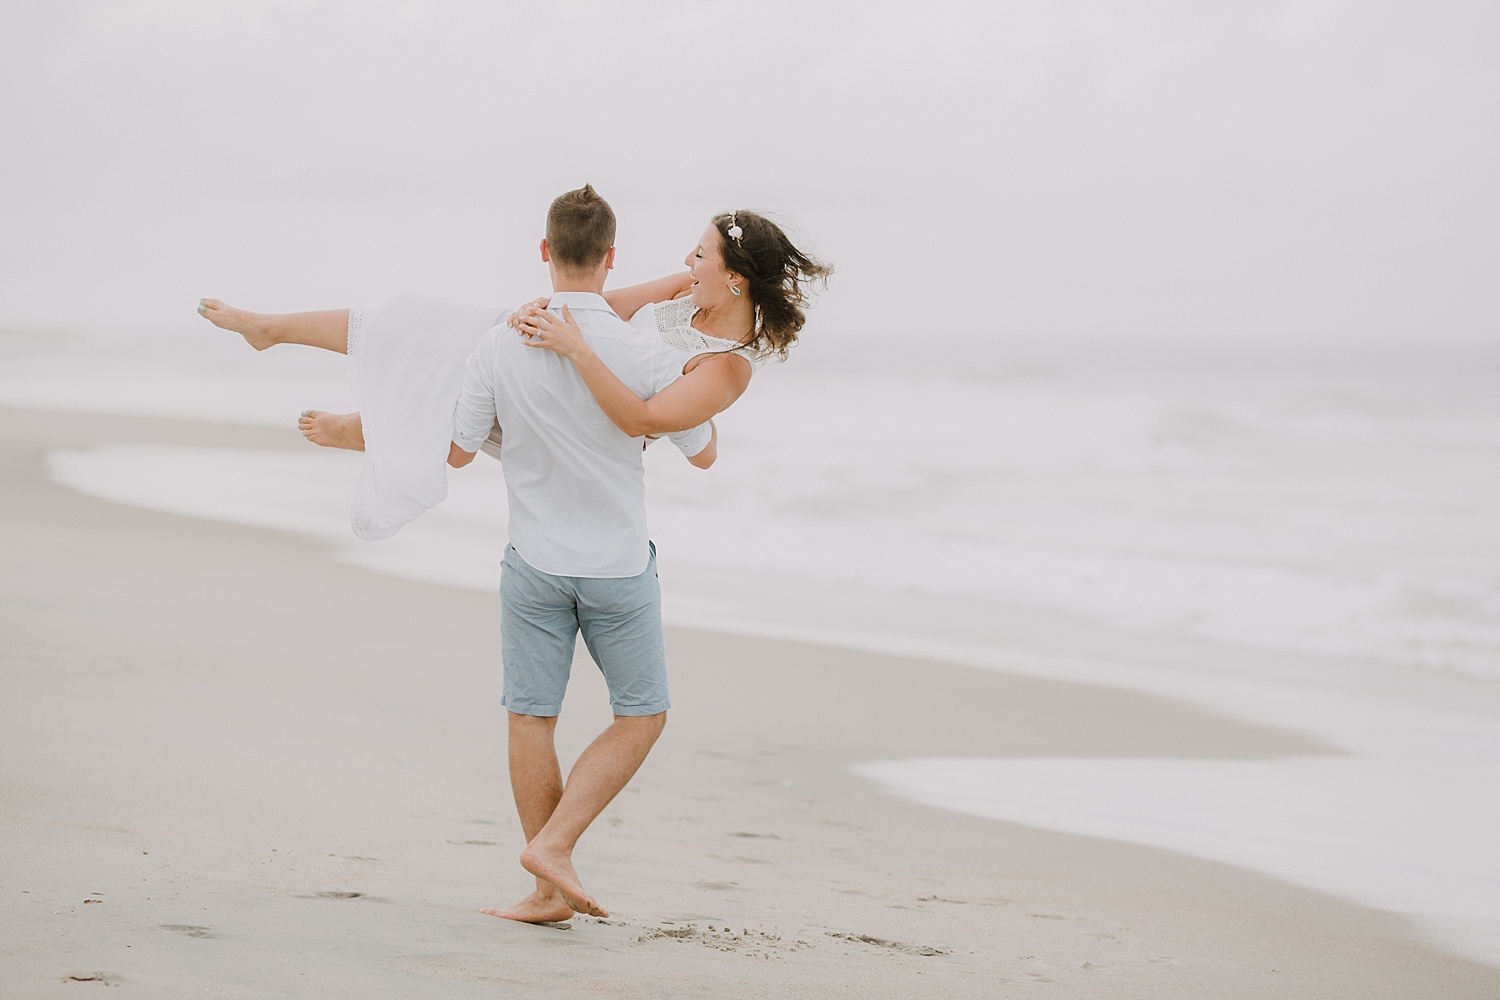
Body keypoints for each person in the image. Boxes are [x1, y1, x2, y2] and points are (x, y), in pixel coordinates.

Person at [196, 204, 830, 542]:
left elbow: (680, 438)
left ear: (736, 277)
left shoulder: (728, 368)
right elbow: (603, 308)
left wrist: (697, 424)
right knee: (423, 318)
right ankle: (271, 329)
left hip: (583, 407)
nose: (686, 259)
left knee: (466, 389)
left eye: (700, 254)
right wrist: (547, 315)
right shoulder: (688, 292)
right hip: (559, 337)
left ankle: (367, 428)